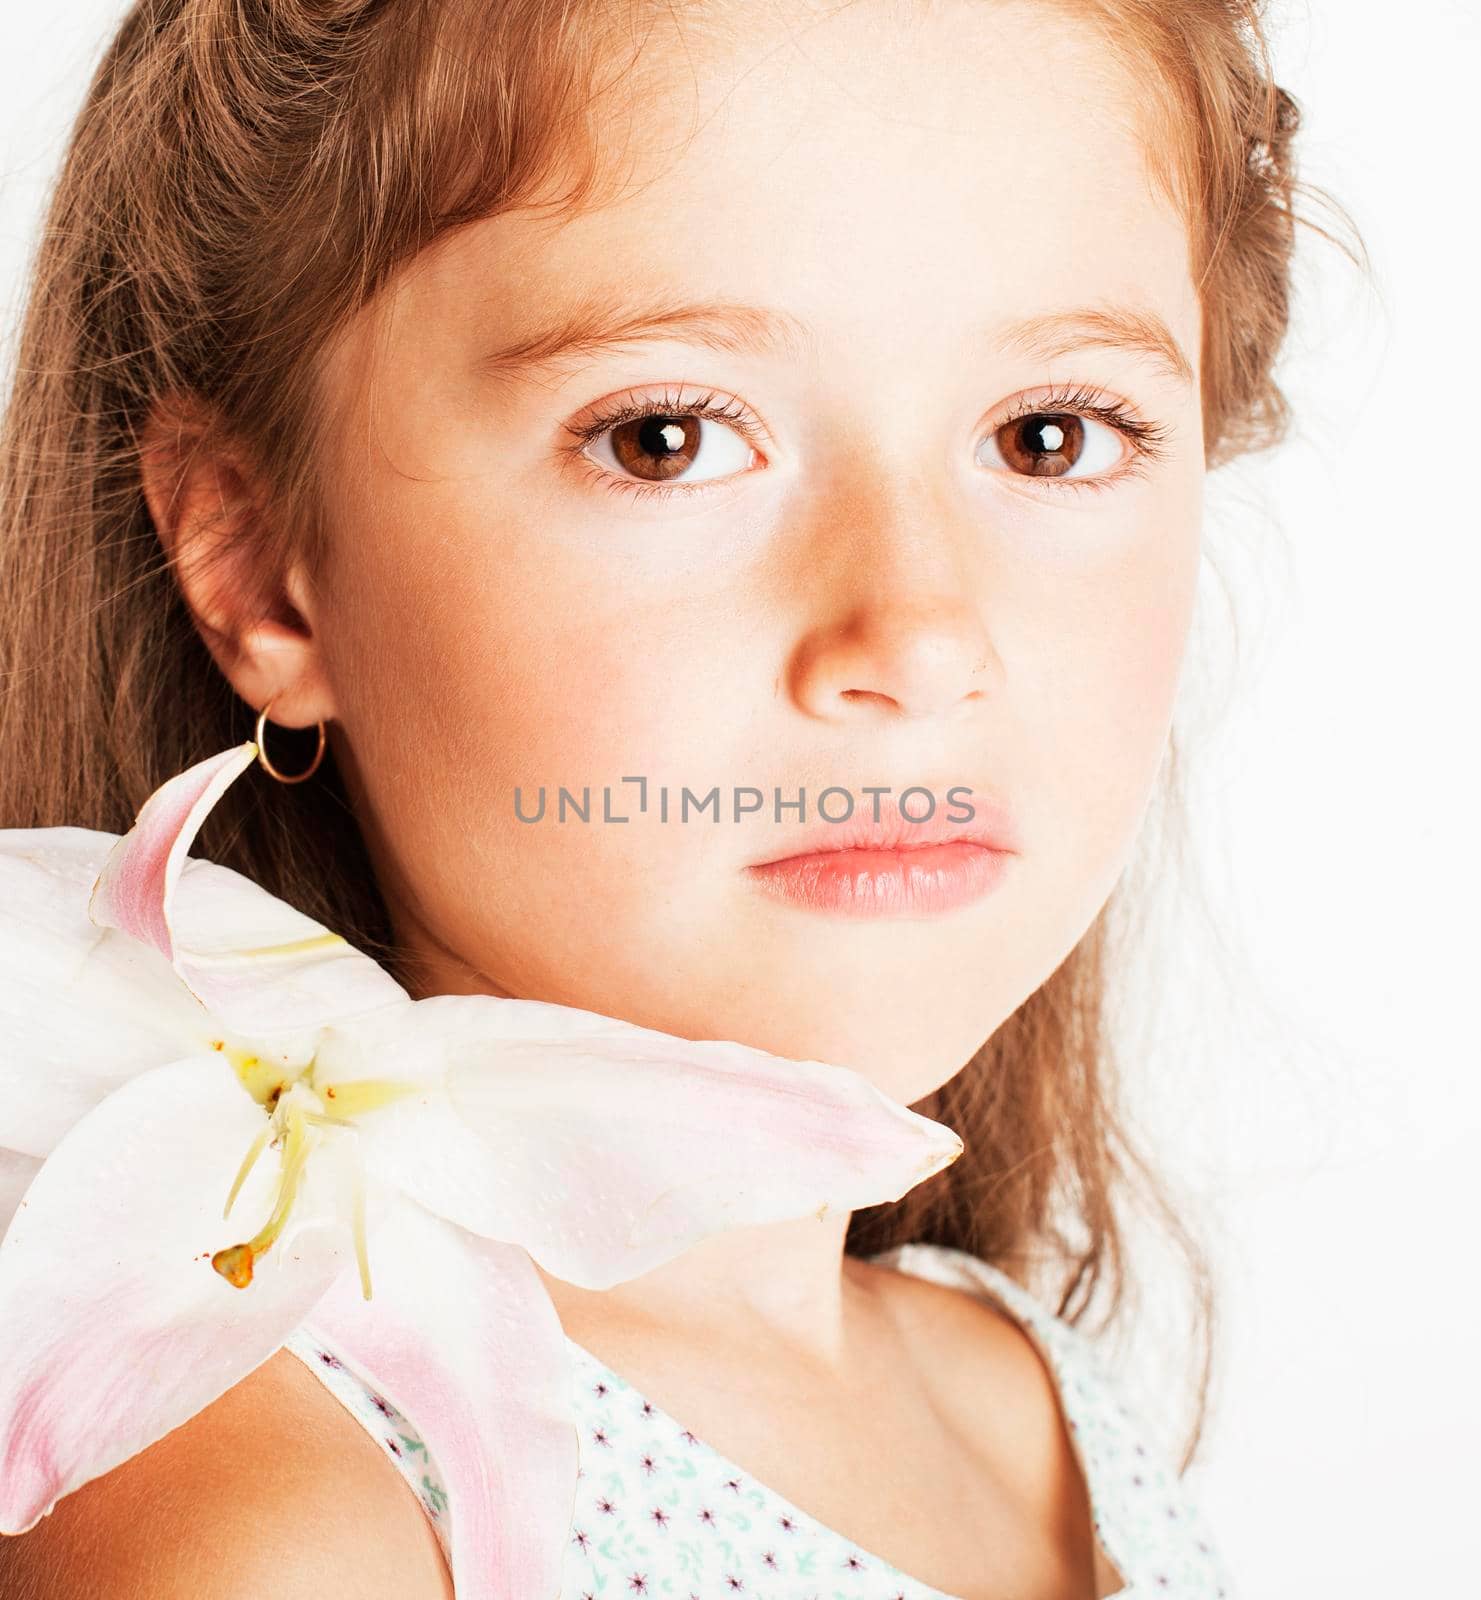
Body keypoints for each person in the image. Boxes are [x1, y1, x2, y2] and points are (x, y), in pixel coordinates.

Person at [0, 0, 1346, 1595]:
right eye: (664, 437)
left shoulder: (1022, 1392)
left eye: (1049, 436)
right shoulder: (287, 1531)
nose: (915, 639)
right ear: (259, 565)